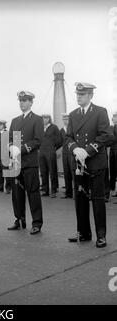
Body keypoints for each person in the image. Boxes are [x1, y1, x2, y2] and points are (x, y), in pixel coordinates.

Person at [66, 82, 112, 248]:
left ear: (91, 96)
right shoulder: (73, 115)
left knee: (98, 200)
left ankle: (101, 235)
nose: (79, 97)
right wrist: (75, 149)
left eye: (82, 94)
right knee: (80, 199)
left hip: (95, 162)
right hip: (79, 163)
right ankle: (83, 232)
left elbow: (106, 135)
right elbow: (68, 137)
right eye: (78, 94)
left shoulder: (100, 112)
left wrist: (88, 150)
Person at [7, 91, 44, 234]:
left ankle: (37, 222)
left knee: (33, 193)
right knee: (17, 193)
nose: (21, 103)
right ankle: (20, 219)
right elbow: (11, 137)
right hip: (16, 162)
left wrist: (20, 149)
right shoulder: (15, 120)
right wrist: (11, 146)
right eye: (20, 101)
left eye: (24, 100)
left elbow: (37, 140)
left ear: (31, 102)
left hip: (29, 162)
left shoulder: (37, 119)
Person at [39, 114, 62, 198]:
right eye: (43, 118)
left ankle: (53, 189)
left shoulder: (54, 127)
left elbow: (59, 140)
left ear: (49, 119)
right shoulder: (40, 128)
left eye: (46, 118)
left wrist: (53, 147)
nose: (44, 119)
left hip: (50, 151)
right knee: (43, 171)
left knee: (52, 170)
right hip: (41, 151)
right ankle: (45, 190)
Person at [0, 120, 12, 194]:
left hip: (5, 156)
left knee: (6, 173)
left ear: (4, 125)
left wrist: (9, 155)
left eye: (0, 125)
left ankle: (8, 188)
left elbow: (10, 145)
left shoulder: (7, 133)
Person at [59, 113, 74, 199]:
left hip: (71, 152)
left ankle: (76, 192)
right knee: (66, 173)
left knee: (73, 172)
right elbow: (59, 141)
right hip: (64, 153)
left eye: (67, 119)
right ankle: (68, 193)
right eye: (64, 119)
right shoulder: (61, 130)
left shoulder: (72, 129)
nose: (65, 121)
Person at [109, 112, 117, 199]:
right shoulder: (112, 127)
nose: (113, 118)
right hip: (112, 150)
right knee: (113, 170)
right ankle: (113, 189)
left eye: (114, 117)